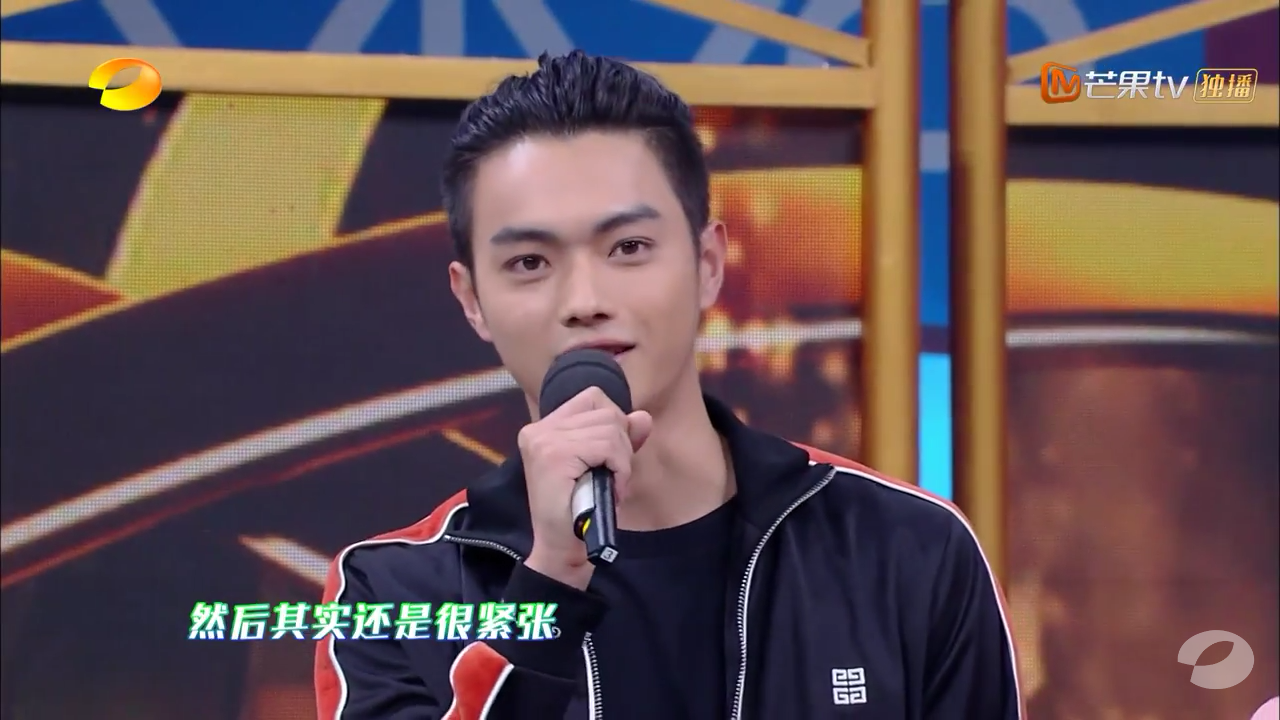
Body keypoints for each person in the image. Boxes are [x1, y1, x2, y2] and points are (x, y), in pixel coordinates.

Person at [314, 50, 1022, 720]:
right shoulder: (389, 593)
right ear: (472, 300)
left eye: (629, 248)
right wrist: (550, 580)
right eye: (529, 262)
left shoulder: (906, 549)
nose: (584, 300)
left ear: (709, 264)